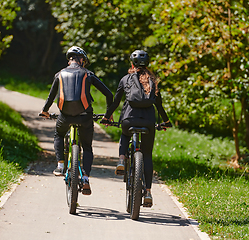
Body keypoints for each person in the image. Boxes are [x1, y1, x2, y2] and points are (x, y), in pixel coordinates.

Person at [102, 50, 172, 206]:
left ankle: (121, 159)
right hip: (148, 122)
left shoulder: (125, 79)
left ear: (131, 64)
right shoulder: (152, 81)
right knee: (146, 154)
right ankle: (147, 192)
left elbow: (115, 102)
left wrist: (107, 117)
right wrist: (166, 121)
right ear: (147, 65)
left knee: (125, 135)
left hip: (128, 119)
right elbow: (159, 106)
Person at [40, 46, 113, 195]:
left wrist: (45, 111)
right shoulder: (88, 74)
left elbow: (51, 96)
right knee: (86, 147)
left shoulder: (59, 74)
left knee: (59, 134)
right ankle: (85, 178)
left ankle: (60, 165)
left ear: (70, 60)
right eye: (84, 61)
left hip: (65, 116)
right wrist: (108, 114)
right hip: (85, 116)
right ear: (81, 60)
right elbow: (108, 94)